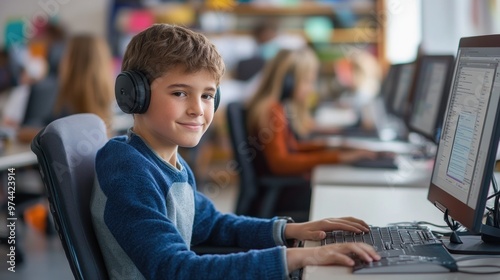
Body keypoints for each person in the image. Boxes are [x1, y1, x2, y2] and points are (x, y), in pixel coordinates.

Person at [90, 24, 380, 279]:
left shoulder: (171, 164)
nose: (197, 109)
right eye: (179, 93)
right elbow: (175, 269)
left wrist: (292, 231)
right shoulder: (127, 169)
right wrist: (297, 257)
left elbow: (212, 225)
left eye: (207, 96)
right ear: (134, 94)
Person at [246, 47, 378, 177]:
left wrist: (334, 148)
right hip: (285, 192)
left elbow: (293, 148)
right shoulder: (272, 111)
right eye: (307, 81)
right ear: (288, 82)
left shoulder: (274, 107)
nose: (311, 89)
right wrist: (340, 158)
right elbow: (280, 163)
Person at [16, 34, 115, 143]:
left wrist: (22, 132)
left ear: (74, 64)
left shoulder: (71, 107)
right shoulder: (105, 106)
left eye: (66, 55)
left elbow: (59, 134)